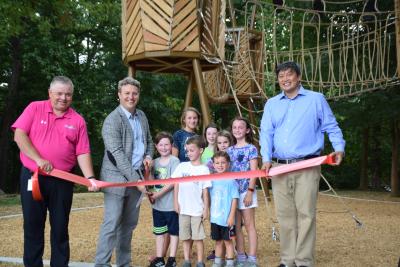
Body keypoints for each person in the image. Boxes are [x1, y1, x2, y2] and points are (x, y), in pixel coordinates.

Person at [259, 61, 345, 267]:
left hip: (308, 165)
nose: (285, 79)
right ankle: (287, 260)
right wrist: (266, 159)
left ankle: (304, 261)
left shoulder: (316, 99)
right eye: (281, 76)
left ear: (298, 77)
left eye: (289, 75)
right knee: (285, 216)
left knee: (306, 214)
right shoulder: (271, 104)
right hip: (279, 166)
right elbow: (266, 134)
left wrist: (339, 148)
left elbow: (331, 126)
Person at [11, 76, 98, 267]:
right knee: (33, 227)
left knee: (60, 228)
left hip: (62, 181)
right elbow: (19, 135)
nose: (63, 98)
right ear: (50, 93)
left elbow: (82, 151)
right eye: (59, 93)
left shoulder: (78, 120)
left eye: (68, 94)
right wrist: (39, 160)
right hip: (33, 177)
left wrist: (89, 178)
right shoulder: (35, 108)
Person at [94, 77, 154, 267]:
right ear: (119, 95)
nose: (131, 97)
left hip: (136, 176)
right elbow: (117, 155)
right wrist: (138, 181)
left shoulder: (142, 116)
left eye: (134, 93)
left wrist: (149, 156)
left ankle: (123, 263)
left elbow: (150, 142)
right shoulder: (112, 120)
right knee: (111, 225)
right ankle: (101, 264)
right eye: (126, 93)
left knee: (128, 226)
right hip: (116, 180)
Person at [172, 135, 211, 267]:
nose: (189, 153)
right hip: (183, 208)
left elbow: (205, 192)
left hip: (197, 210)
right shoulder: (182, 166)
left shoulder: (204, 169)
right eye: (187, 150)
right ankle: (187, 260)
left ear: (200, 150)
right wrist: (175, 202)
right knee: (185, 236)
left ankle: (200, 261)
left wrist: (206, 209)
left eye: (192, 150)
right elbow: (176, 185)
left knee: (198, 237)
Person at [226, 117, 259, 267]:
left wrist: (250, 191)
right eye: (234, 127)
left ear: (247, 130)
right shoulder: (229, 150)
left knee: (249, 225)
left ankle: (252, 258)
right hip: (233, 193)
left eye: (241, 127)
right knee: (237, 227)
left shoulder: (251, 149)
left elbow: (254, 172)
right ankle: (240, 257)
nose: (237, 130)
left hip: (246, 191)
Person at [148, 131, 180, 267]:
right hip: (157, 206)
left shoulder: (175, 161)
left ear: (171, 145)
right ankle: (160, 258)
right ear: (156, 146)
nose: (164, 147)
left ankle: (172, 259)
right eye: (161, 145)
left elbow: (173, 182)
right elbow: (149, 182)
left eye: (167, 144)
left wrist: (158, 194)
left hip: (171, 205)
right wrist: (150, 194)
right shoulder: (154, 162)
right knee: (159, 233)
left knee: (173, 232)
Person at [209, 151, 239, 267]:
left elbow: (235, 199)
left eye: (223, 162)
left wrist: (231, 216)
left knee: (228, 241)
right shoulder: (211, 179)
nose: (220, 165)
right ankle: (217, 262)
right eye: (217, 163)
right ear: (213, 164)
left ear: (228, 164)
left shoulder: (231, 180)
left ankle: (230, 262)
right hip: (215, 218)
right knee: (218, 241)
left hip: (227, 219)